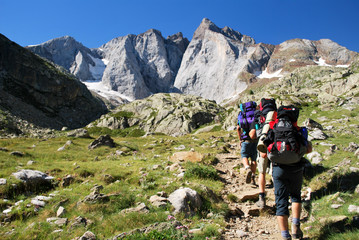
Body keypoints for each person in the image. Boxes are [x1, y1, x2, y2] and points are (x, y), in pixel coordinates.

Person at [264, 105, 312, 240]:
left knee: (281, 202)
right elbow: (308, 149)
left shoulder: (273, 129)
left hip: (279, 169)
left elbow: (264, 150)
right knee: (296, 196)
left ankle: (285, 236)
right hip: (296, 167)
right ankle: (296, 225)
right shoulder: (299, 130)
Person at [237, 102, 258, 184]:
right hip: (255, 139)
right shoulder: (256, 113)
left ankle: (247, 168)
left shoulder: (242, 114)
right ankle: (253, 176)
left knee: (244, 155)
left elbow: (238, 128)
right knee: (254, 158)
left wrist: (240, 139)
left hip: (246, 139)